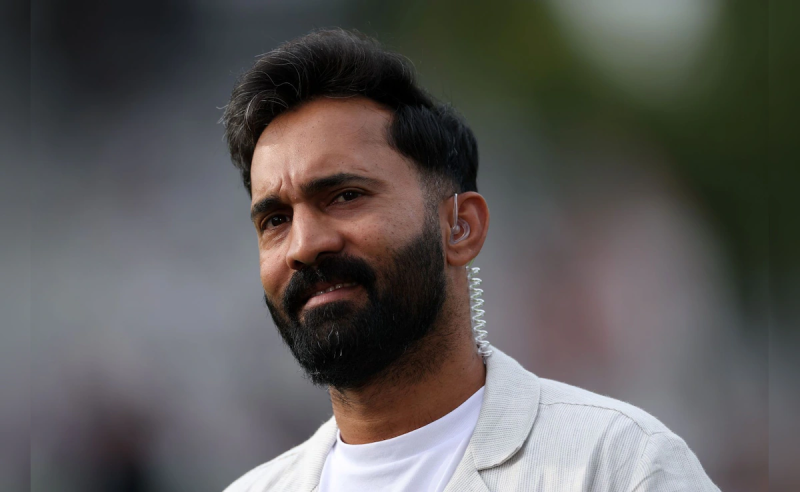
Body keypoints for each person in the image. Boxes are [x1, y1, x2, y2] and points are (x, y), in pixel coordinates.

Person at [220, 28, 719, 492]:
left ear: (461, 227)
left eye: (346, 196)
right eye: (275, 220)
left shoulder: (620, 466)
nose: (304, 245)